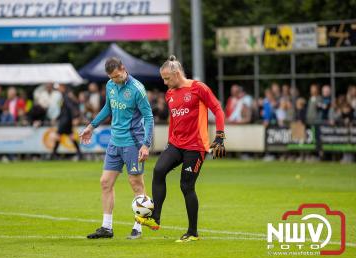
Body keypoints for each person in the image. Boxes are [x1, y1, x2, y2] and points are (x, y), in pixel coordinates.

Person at [135, 55, 226, 242]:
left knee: (186, 186)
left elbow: (217, 109)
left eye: (167, 78)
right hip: (176, 144)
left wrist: (220, 136)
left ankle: (193, 232)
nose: (164, 82)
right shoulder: (169, 95)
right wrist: (170, 141)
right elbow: (174, 121)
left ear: (176, 74)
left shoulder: (198, 88)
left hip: (196, 146)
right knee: (158, 170)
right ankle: (155, 218)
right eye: (163, 78)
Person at [79, 57, 154, 240]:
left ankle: (138, 227)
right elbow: (108, 108)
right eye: (111, 77)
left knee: (136, 184)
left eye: (117, 76)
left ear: (123, 68)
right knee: (105, 182)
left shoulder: (137, 89)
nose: (115, 80)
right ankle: (107, 227)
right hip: (115, 141)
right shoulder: (110, 85)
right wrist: (91, 126)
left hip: (133, 143)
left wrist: (146, 144)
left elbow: (149, 117)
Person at [51, 84, 82, 160]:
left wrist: (75, 118)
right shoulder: (66, 95)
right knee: (70, 136)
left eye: (59, 87)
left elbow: (70, 108)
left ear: (62, 87)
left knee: (57, 135)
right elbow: (64, 110)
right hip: (66, 119)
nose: (58, 89)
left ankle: (53, 155)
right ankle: (79, 154)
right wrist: (57, 118)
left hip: (65, 120)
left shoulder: (66, 96)